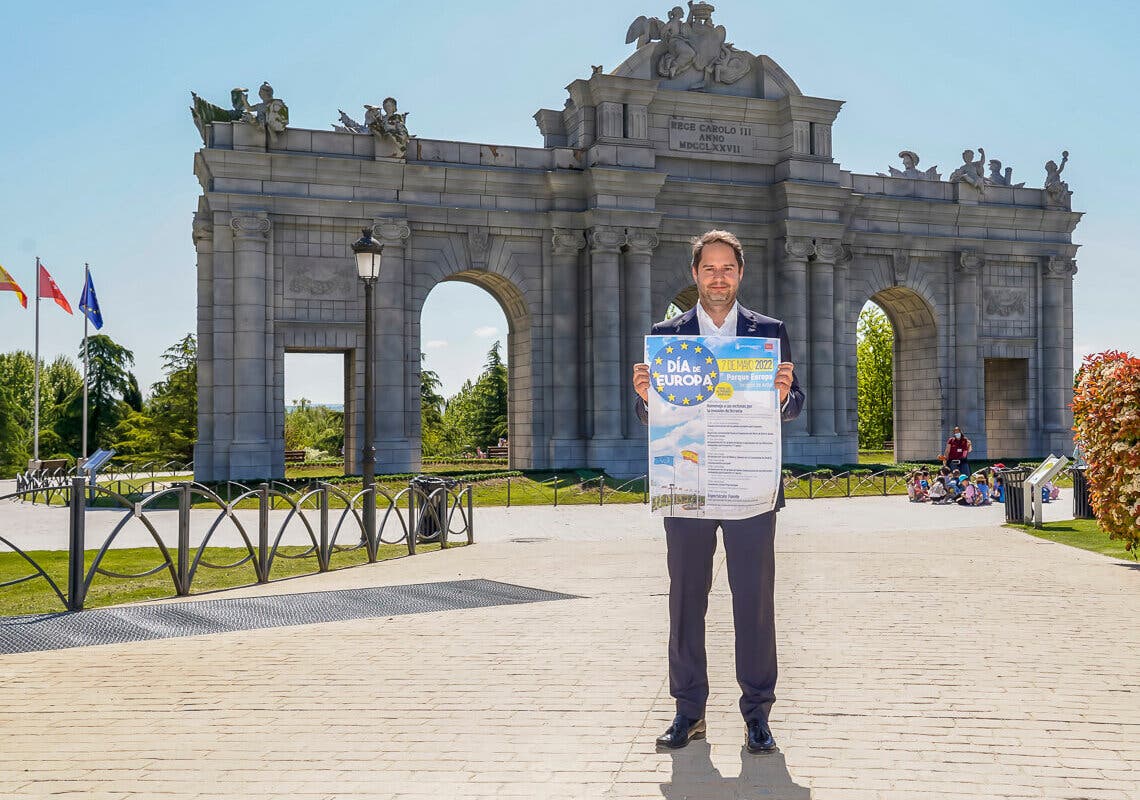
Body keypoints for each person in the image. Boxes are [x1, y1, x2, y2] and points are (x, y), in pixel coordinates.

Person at [632, 229, 804, 755]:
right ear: (695, 274)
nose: (718, 277)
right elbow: (652, 415)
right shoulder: (668, 336)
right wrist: (645, 398)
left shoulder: (768, 332)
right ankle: (689, 712)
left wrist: (782, 394)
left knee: (754, 603)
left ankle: (758, 715)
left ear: (740, 273)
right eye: (709, 268)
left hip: (751, 489)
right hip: (687, 489)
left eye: (727, 268)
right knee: (686, 602)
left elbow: (795, 402)